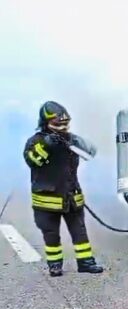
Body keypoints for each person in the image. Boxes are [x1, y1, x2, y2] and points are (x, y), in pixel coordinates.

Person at [22, 101, 103, 277]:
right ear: (46, 124)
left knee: (80, 233)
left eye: (65, 124)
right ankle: (55, 266)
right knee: (51, 236)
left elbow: (90, 153)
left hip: (71, 198)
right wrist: (47, 145)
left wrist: (75, 142)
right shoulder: (35, 141)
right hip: (47, 201)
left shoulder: (71, 139)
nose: (63, 127)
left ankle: (86, 263)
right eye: (57, 125)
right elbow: (33, 160)